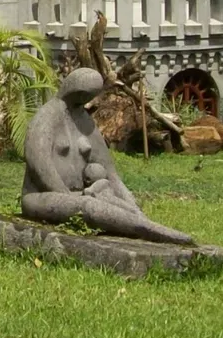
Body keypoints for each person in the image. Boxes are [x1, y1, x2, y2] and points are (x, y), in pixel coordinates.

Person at [20, 67, 194, 245]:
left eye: (90, 95)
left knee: (115, 201)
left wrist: (131, 203)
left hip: (84, 193)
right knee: (88, 207)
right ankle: (147, 229)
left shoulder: (85, 120)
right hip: (43, 195)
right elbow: (38, 162)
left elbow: (110, 173)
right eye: (82, 93)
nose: (85, 98)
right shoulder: (47, 115)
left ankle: (143, 222)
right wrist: (67, 195)